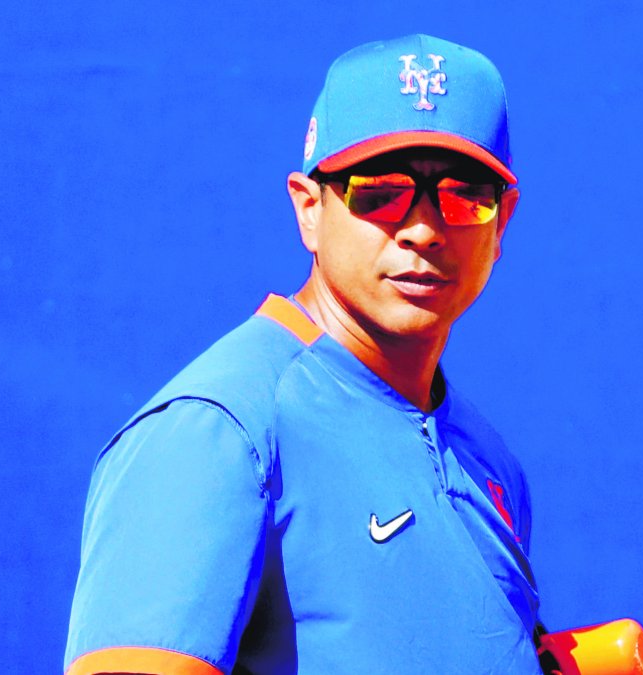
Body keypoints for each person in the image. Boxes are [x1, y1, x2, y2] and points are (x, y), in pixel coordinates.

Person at [64, 34, 544, 674]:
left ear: (501, 221)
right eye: (381, 191)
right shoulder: (217, 429)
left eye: (464, 193)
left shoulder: (488, 457)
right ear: (309, 209)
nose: (424, 228)